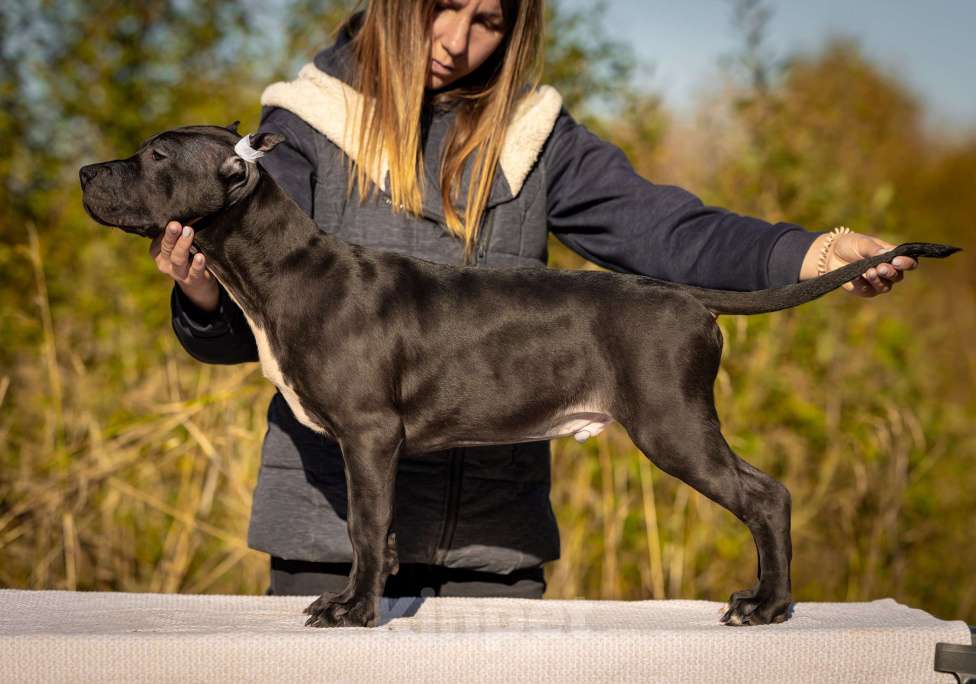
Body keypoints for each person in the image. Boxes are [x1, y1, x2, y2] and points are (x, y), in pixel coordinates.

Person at [151, 0, 918, 599]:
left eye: (487, 21)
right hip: (326, 544)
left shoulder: (535, 136)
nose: (455, 38)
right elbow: (249, 325)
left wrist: (809, 252)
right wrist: (203, 293)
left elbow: (668, 233)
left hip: (491, 540)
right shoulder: (306, 126)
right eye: (440, 7)